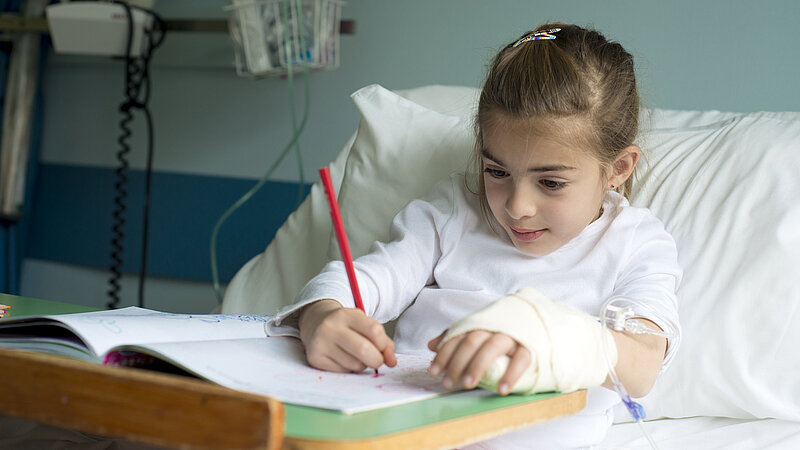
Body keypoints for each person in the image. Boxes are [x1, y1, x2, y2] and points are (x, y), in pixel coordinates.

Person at [266, 23, 681, 449]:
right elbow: (370, 278)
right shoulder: (453, 211)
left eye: (551, 183)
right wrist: (321, 314)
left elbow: (643, 362)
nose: (517, 207)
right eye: (497, 172)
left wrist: (548, 335)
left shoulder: (635, 242)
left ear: (617, 169)